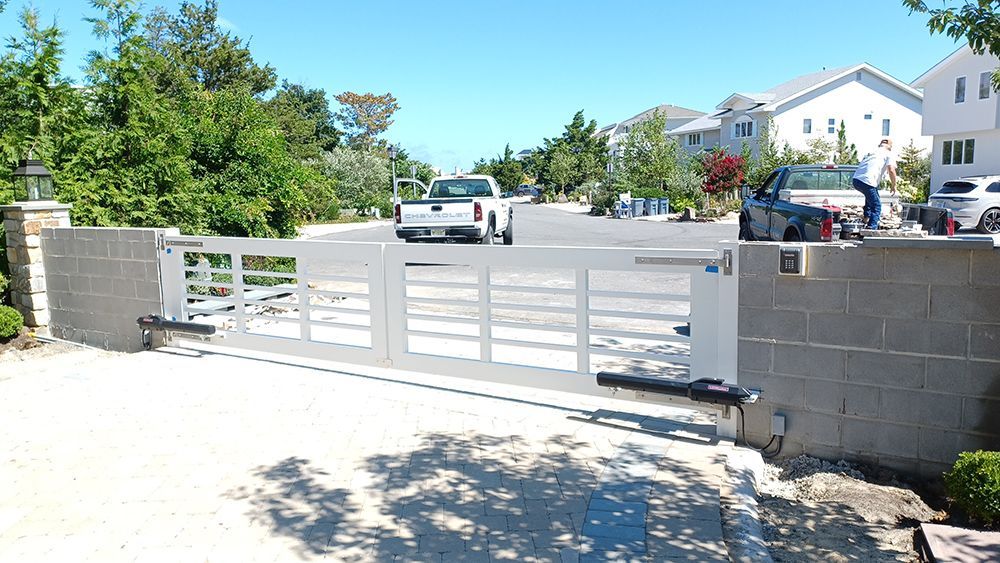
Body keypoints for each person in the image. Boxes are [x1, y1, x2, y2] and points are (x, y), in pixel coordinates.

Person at [851, 139, 897, 229]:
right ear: (890, 146)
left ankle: (866, 218)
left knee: (870, 197)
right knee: (877, 206)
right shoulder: (888, 153)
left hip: (856, 179)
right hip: (868, 181)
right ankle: (871, 228)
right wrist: (894, 185)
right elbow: (891, 170)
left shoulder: (872, 152)